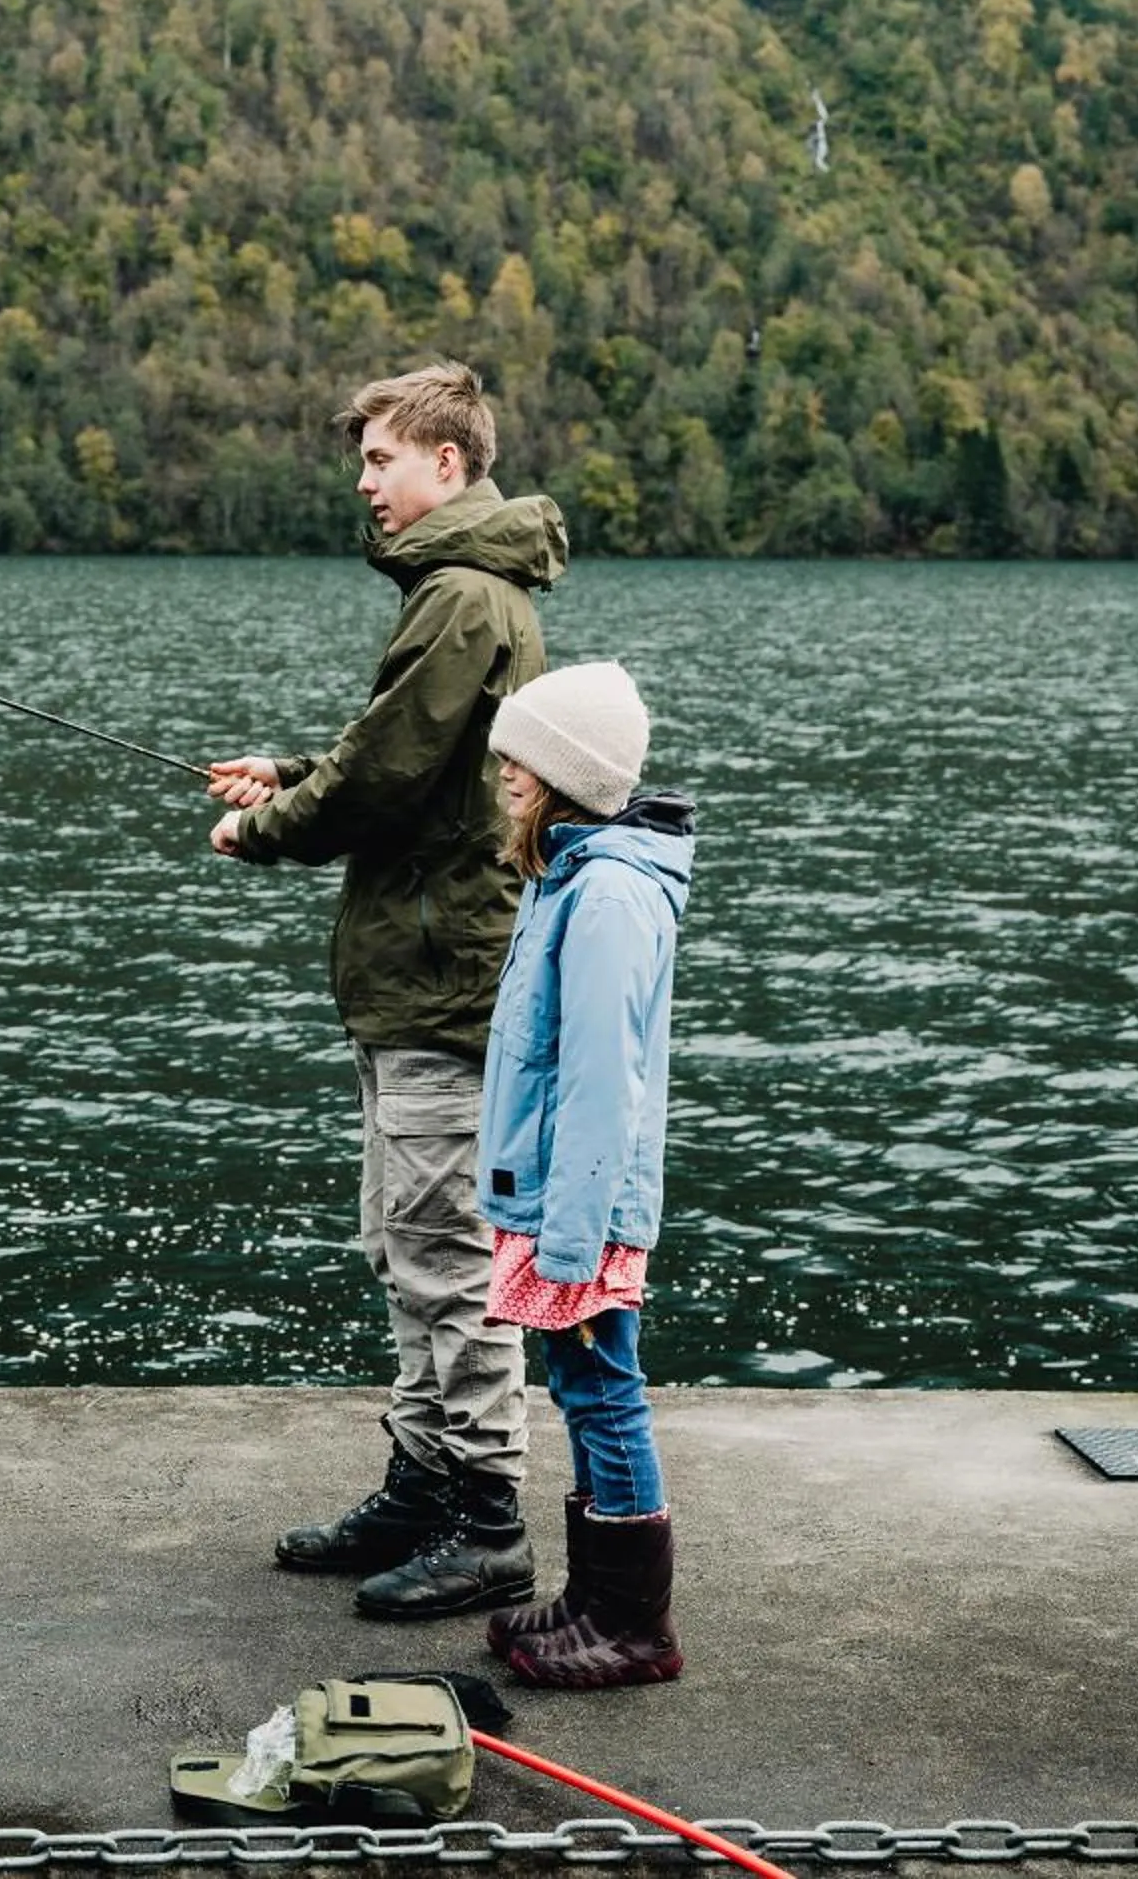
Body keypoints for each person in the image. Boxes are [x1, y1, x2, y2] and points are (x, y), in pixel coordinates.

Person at [206, 361, 567, 1621]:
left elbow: (382, 786)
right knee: (406, 1248)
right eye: (362, 460)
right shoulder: (465, 594)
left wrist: (269, 829)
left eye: (381, 459)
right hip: (413, 976)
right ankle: (421, 1487)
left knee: (447, 1262)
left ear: (447, 465)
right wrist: (292, 770)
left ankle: (485, 1525)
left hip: (440, 979)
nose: (364, 483)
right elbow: (411, 759)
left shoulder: (461, 596)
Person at [472, 658, 695, 1688]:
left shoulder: (604, 894)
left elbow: (603, 1086)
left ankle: (635, 1626)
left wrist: (567, 1243)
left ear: (570, 770)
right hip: (559, 1200)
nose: (504, 766)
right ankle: (595, 1597)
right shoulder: (567, 873)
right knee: (578, 1386)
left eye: (525, 752)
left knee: (606, 1391)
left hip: (584, 1209)